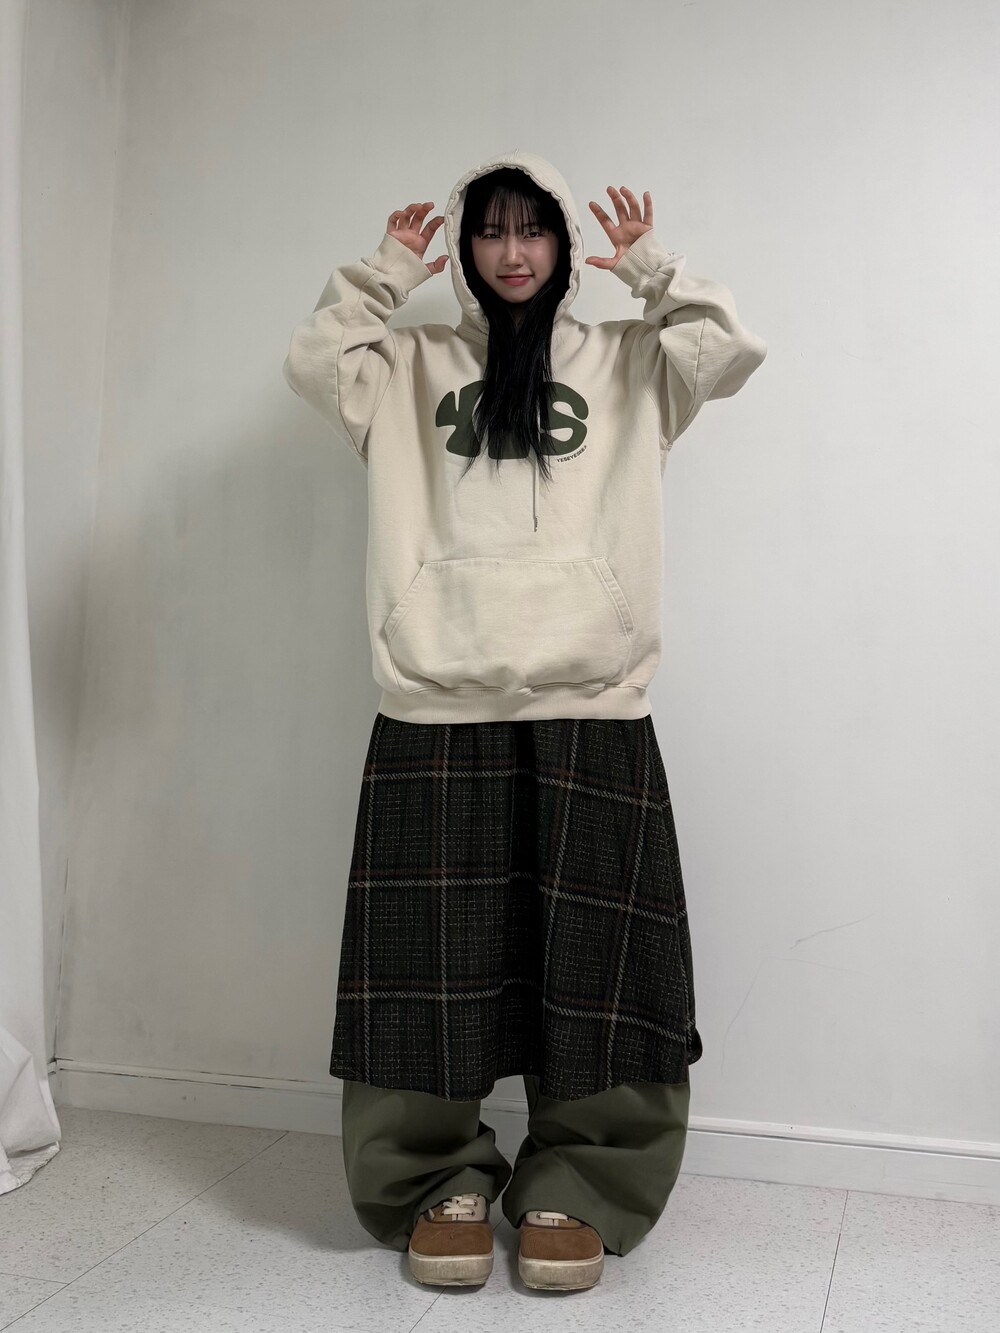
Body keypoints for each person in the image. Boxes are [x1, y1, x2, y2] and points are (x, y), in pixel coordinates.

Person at [282, 149, 766, 1292]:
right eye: (490, 230)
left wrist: (650, 269)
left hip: (592, 697)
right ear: (463, 250)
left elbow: (728, 348)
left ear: (563, 246)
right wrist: (381, 273)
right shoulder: (407, 366)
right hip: (434, 695)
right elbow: (313, 362)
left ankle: (581, 1184)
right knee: (425, 960)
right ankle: (431, 1182)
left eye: (533, 229)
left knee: (602, 961)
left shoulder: (629, 361)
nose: (512, 252)